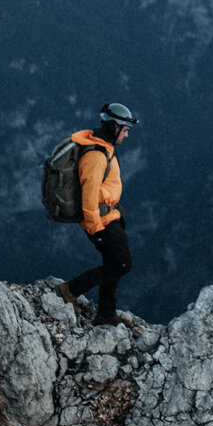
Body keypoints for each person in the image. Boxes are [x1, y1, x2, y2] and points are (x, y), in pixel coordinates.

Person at [56, 102, 138, 325]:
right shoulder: (96, 156)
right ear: (115, 127)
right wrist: (96, 229)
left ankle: (106, 313)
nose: (127, 136)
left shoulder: (103, 149)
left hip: (110, 218)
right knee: (122, 264)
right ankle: (70, 289)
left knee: (113, 264)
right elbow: (89, 196)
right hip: (101, 222)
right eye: (126, 130)